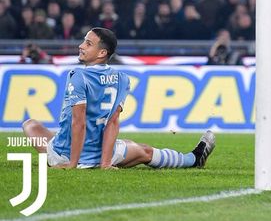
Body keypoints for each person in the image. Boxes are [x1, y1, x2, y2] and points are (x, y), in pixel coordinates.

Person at [22, 27, 215, 169]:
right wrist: (105, 163)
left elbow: (78, 123)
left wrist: (72, 164)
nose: (81, 46)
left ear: (102, 53)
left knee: (30, 125)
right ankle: (192, 159)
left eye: (88, 44)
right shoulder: (122, 79)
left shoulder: (78, 75)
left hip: (65, 154)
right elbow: (112, 122)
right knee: (144, 151)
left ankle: (70, 158)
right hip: (102, 154)